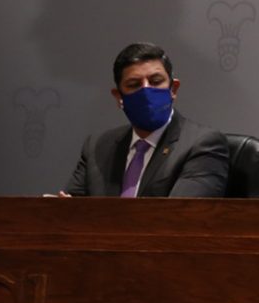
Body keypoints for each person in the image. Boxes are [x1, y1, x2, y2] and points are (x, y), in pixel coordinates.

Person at [60, 42, 229, 197]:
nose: (146, 92)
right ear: (119, 97)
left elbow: (181, 213)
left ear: (173, 89)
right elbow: (72, 208)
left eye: (156, 81)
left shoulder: (203, 144)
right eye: (134, 85)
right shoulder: (98, 146)